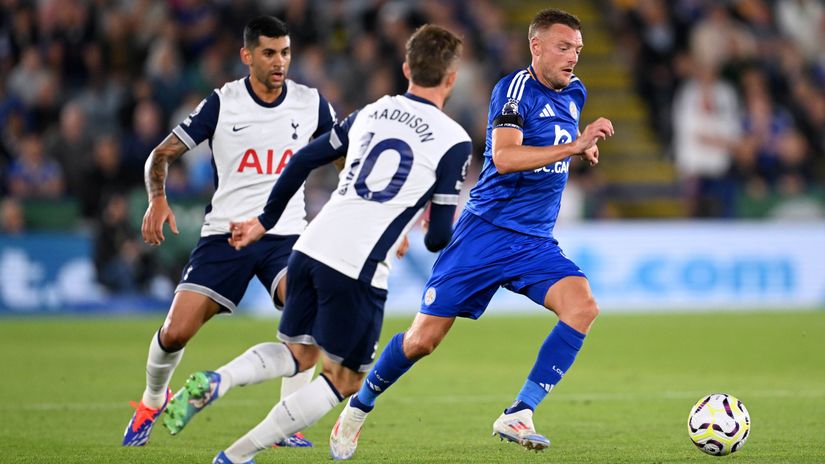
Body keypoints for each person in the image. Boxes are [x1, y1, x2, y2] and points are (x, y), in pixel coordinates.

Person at [329, 8, 615, 459]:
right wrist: (573, 146)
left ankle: (520, 411)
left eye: (577, 49)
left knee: (582, 307)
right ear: (536, 46)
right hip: (484, 233)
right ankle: (359, 407)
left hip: (534, 240)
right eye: (563, 47)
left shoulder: (575, 91)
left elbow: (558, 140)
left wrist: (582, 146)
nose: (572, 58)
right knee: (423, 340)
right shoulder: (513, 90)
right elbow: (503, 157)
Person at [210, 24, 471, 464]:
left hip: (309, 247)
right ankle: (235, 455)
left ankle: (220, 380)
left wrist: (265, 220)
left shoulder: (372, 111)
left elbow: (303, 159)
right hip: (358, 265)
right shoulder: (454, 141)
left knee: (298, 354)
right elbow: (439, 237)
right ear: (451, 78)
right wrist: (425, 212)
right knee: (345, 380)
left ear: (407, 68)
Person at [121, 16, 335, 447]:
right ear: (247, 56)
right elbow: (160, 155)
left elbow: (345, 154)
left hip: (285, 235)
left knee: (308, 323)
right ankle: (153, 399)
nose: (280, 62)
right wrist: (157, 199)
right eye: (270, 53)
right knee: (176, 331)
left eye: (286, 52)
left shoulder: (311, 103)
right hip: (226, 234)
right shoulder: (223, 103)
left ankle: (285, 424)